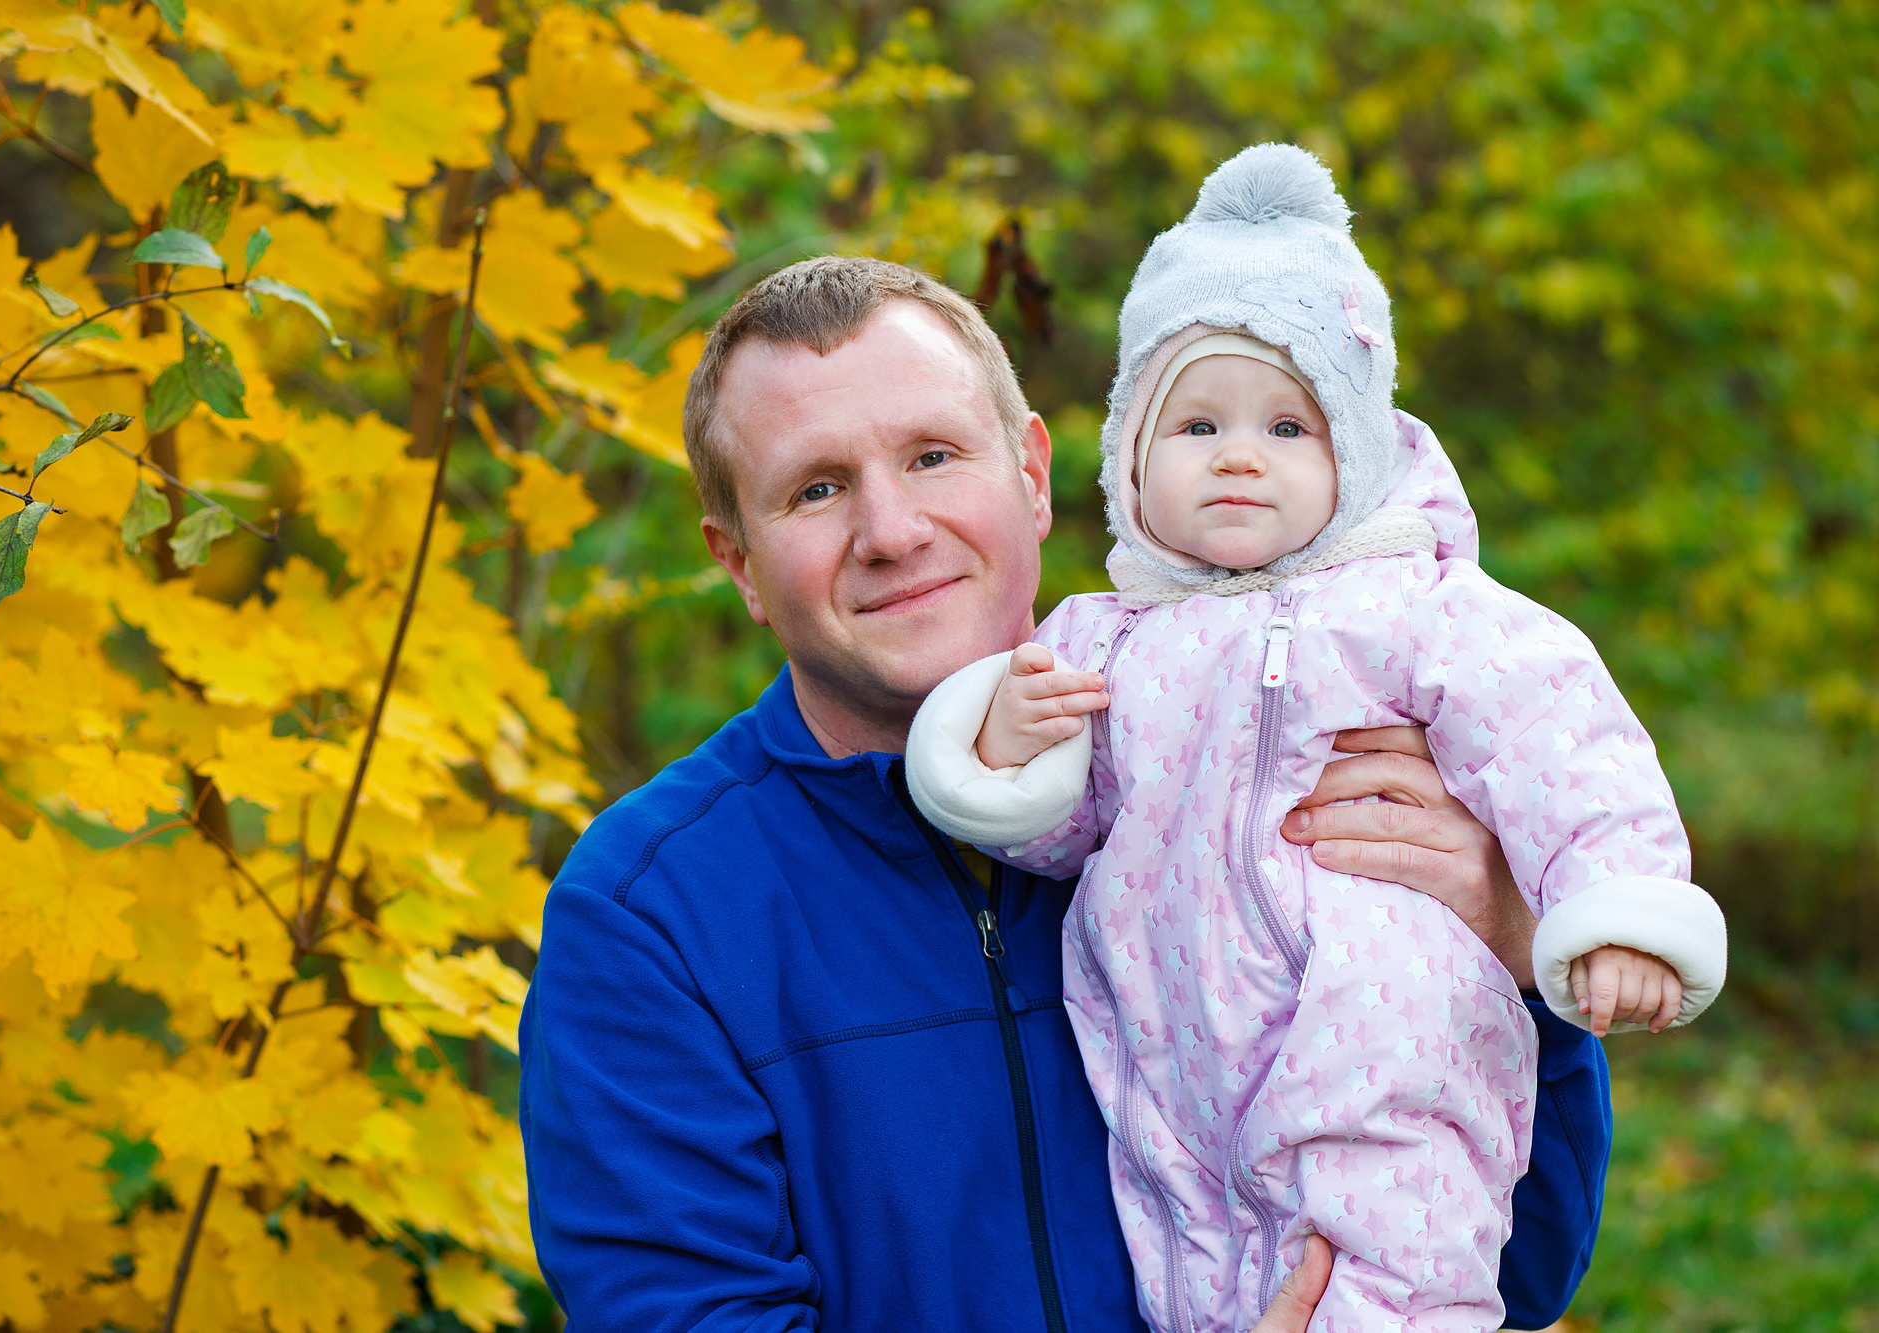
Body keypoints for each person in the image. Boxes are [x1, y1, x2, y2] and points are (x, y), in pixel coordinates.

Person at [518, 252, 1615, 1333]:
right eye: (815, 489)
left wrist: (1509, 958)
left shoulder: (1279, 771)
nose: (892, 531)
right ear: (739, 563)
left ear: (1035, 477)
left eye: (934, 456)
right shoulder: (650, 915)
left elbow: (1526, 1270)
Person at [903, 146, 1727, 1333]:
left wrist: (1616, 903)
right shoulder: (1100, 638)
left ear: (1353, 452)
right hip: (1170, 1054)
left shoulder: (1418, 607)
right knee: (1187, 1265)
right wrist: (1002, 749)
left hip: (1386, 1036)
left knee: (1389, 1266)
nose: (1238, 453)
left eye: (1286, 424)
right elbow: (1063, 836)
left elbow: (1565, 747)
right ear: (1127, 455)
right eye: (1194, 422)